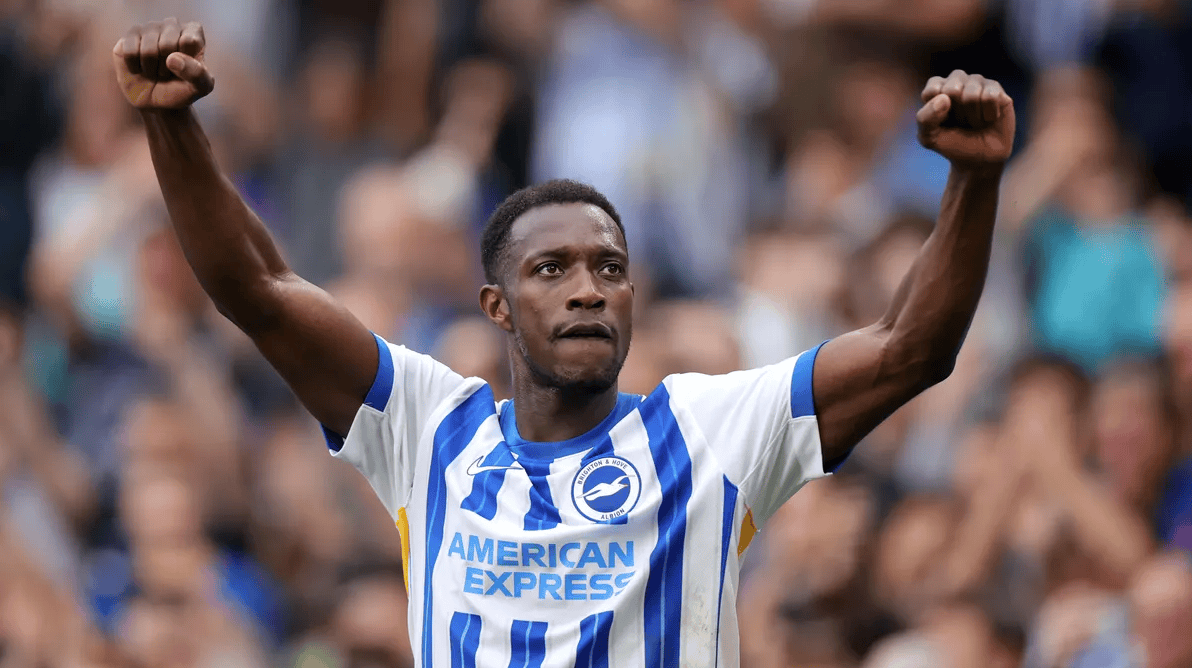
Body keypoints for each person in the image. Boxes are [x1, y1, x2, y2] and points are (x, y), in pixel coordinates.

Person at [111, 18, 1015, 668]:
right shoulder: (430, 428)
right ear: (497, 308)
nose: (588, 287)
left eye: (609, 268)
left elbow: (909, 349)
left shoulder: (709, 430)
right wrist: (171, 125)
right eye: (551, 270)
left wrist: (973, 183)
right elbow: (260, 292)